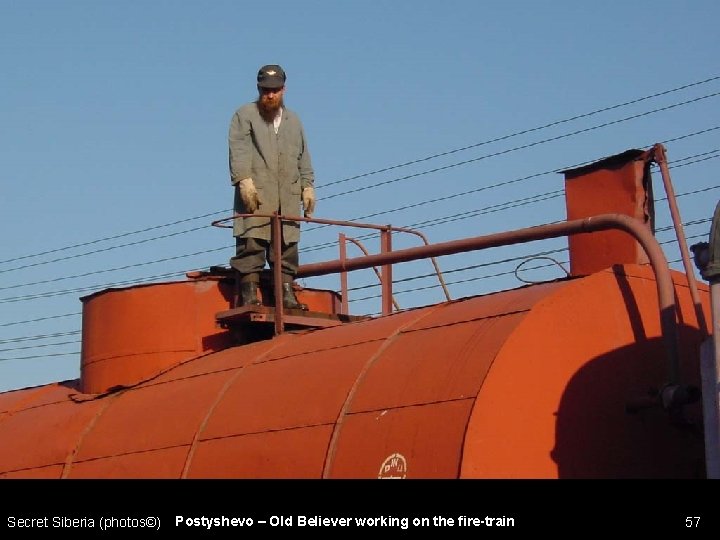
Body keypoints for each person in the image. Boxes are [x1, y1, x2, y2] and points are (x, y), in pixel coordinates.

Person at [228, 64, 316, 309]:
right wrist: (243, 180)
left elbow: (303, 155)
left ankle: (286, 293)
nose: (270, 95)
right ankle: (249, 293)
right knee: (252, 242)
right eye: (266, 90)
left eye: (275, 90)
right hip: (256, 194)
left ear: (283, 90)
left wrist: (308, 185)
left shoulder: (294, 121)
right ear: (258, 89)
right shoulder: (244, 115)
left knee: (286, 246)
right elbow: (239, 150)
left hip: (286, 197)